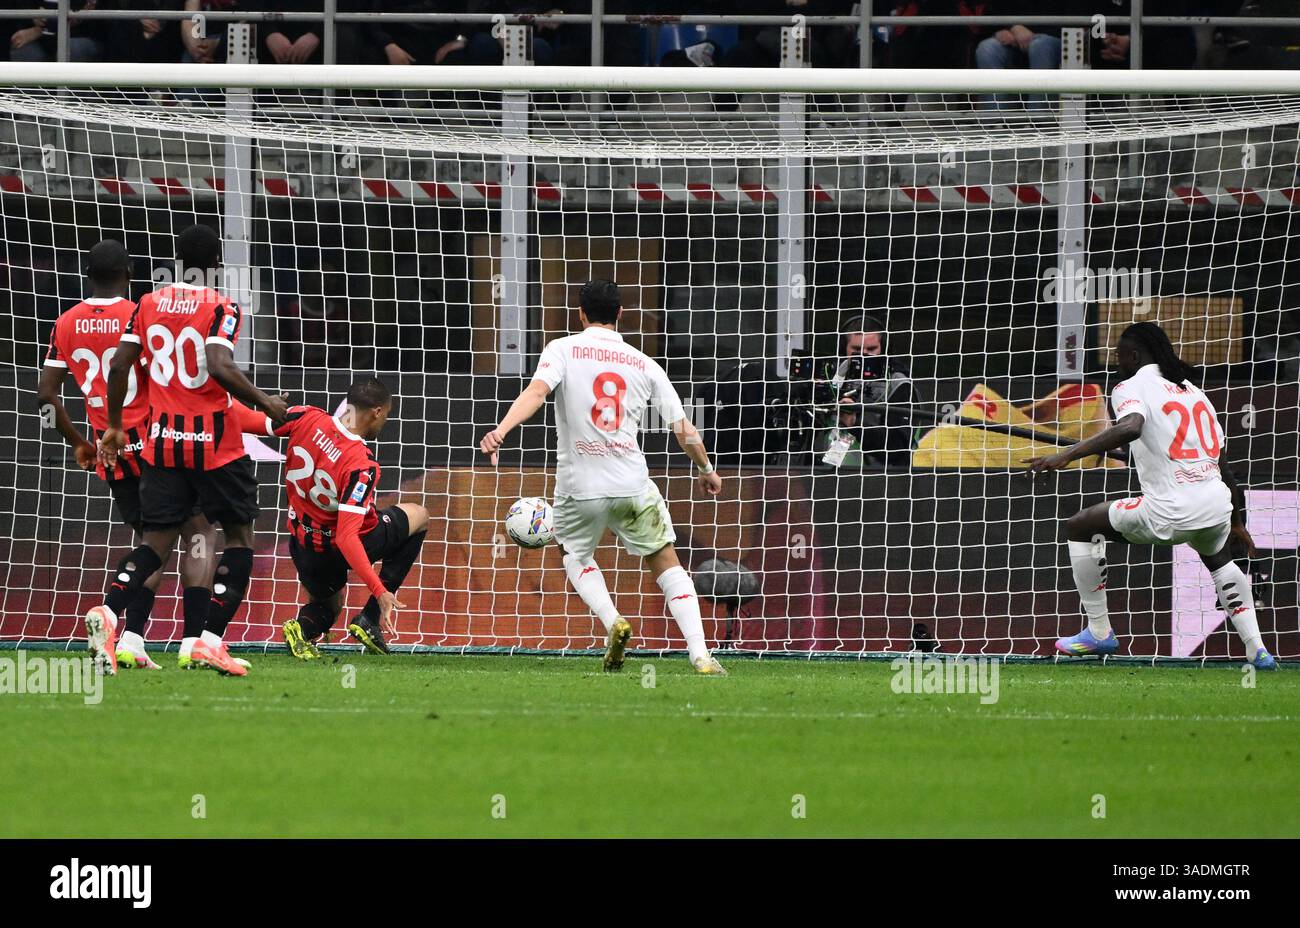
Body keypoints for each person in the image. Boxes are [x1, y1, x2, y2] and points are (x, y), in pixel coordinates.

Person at [479, 279, 728, 675]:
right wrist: (707, 470)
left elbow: (536, 392)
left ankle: (614, 622)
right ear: (620, 314)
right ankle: (700, 654)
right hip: (632, 482)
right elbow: (685, 430)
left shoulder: (561, 349)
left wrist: (501, 431)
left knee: (573, 553)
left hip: (581, 487)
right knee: (665, 559)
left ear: (579, 314)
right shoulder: (643, 362)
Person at [88, 224, 288, 676]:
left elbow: (119, 366)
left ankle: (110, 612)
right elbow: (219, 365)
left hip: (163, 445)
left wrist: (116, 427)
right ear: (216, 263)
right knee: (238, 538)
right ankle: (208, 640)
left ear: (177, 261)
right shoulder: (222, 306)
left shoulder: (147, 304)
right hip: (215, 446)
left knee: (155, 543)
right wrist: (267, 403)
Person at [1027, 321, 1276, 670]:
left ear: (1133, 355)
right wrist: (1237, 521)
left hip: (1170, 510)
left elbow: (1131, 426)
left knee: (1080, 526)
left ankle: (1099, 633)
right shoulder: (1193, 391)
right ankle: (1258, 651)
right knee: (1219, 561)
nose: (1116, 363)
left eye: (1118, 356)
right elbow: (1222, 465)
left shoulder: (1130, 386)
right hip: (1216, 505)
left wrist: (1064, 456)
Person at [37, 239, 217, 670]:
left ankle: (132, 638)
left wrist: (78, 441)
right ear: (130, 272)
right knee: (199, 532)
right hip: (155, 442)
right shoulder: (141, 313)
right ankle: (187, 639)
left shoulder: (64, 323)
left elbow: (45, 396)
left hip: (110, 450)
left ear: (87, 274)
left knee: (153, 541)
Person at [234, 379, 430, 659]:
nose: (383, 422)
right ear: (376, 412)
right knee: (420, 516)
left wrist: (208, 406)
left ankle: (301, 629)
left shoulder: (307, 417)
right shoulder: (361, 464)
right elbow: (347, 536)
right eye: (385, 415)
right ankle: (370, 618)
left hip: (304, 545)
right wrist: (379, 590)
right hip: (349, 542)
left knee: (329, 607)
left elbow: (249, 420)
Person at [821, 314, 921, 469]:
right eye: (856, 349)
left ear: (884, 348)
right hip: (830, 475)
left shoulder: (899, 384)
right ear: (843, 348)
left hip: (882, 479)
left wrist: (855, 424)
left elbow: (898, 446)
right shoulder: (832, 378)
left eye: (871, 349)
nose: (864, 355)